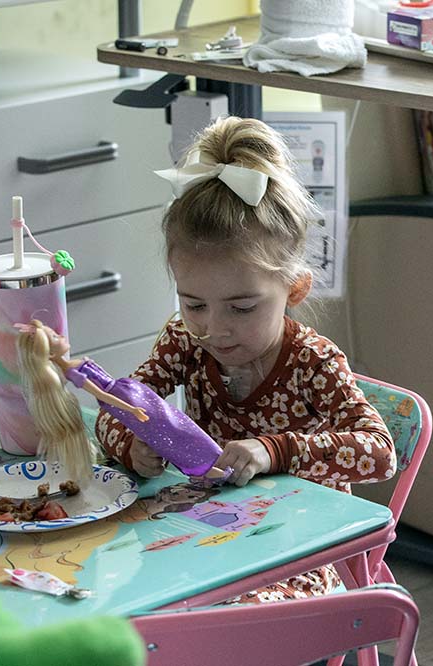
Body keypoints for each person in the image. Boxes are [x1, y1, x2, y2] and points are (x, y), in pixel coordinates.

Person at [97, 115, 397, 602]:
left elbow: (379, 451)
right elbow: (120, 405)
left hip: (299, 549)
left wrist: (273, 450)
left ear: (294, 289)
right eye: (193, 303)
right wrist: (131, 444)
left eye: (241, 307)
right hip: (202, 539)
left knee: (215, 623)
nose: (213, 328)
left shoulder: (313, 363)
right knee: (104, 587)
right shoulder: (184, 341)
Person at [16, 319, 229, 483]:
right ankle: (206, 470)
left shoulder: (73, 366)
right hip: (123, 398)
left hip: (129, 392)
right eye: (55, 337)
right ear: (51, 352)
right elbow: (102, 395)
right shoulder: (73, 371)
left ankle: (210, 465)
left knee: (173, 424)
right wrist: (131, 410)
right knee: (166, 431)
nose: (61, 336)